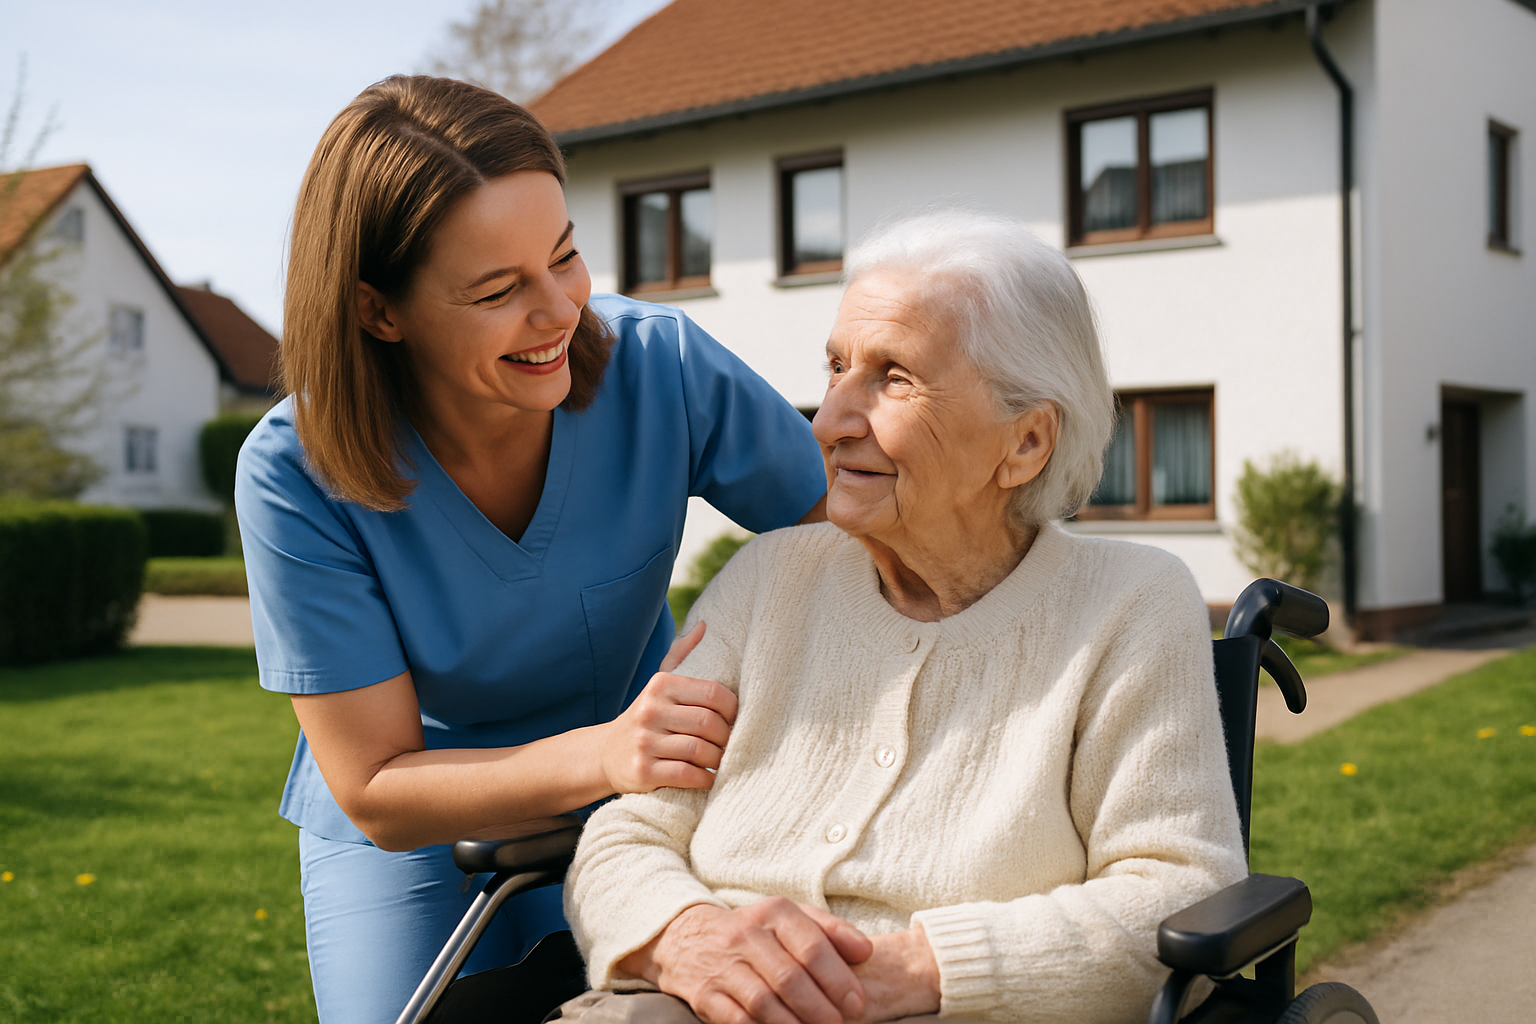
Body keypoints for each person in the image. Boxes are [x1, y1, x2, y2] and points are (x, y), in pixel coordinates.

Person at [234, 75, 827, 1024]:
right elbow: (378, 788)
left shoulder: (661, 366)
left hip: (648, 791)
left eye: (565, 258)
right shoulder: (294, 473)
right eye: (498, 290)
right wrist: (609, 753)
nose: (559, 312)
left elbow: (862, 536)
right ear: (378, 311)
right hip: (418, 824)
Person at [561, 211, 1248, 1024]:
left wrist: (923, 968)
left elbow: (1179, 893)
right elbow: (625, 835)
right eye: (837, 367)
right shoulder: (765, 581)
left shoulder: (1128, 603)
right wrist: (689, 936)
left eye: (893, 378)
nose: (827, 422)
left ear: (1025, 443)